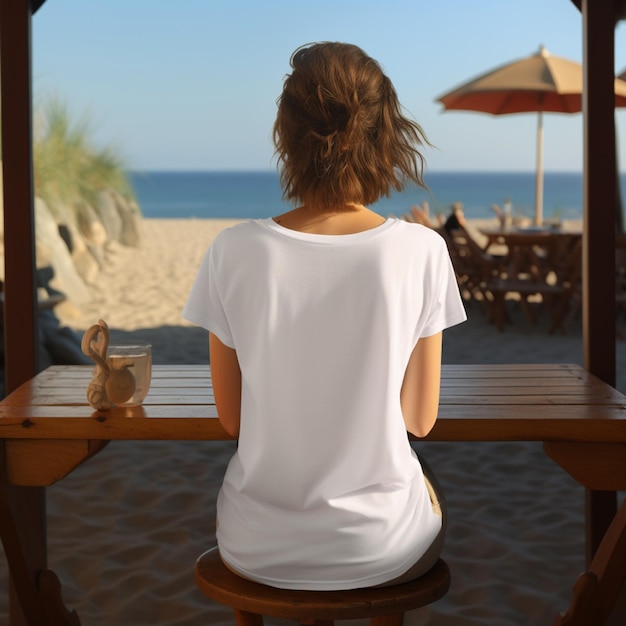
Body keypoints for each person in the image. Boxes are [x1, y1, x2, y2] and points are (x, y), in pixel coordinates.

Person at [183, 42, 466, 591]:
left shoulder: (232, 250)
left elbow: (233, 420)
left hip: (256, 543)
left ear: (286, 137)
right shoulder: (422, 250)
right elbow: (419, 419)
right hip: (379, 545)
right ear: (386, 137)